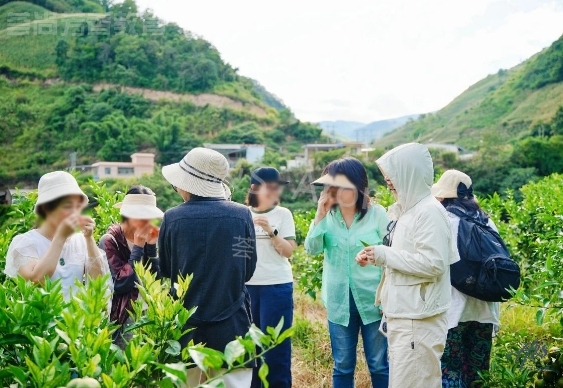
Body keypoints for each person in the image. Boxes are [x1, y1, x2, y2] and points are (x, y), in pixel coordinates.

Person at [356, 143, 459, 388]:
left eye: (392, 174)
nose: (388, 181)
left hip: (418, 319)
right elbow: (406, 257)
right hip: (407, 314)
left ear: (410, 172)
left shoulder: (428, 212)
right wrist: (376, 256)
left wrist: (384, 255)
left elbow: (433, 264)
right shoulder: (410, 211)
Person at [159, 147, 257, 388]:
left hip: (185, 324)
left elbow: (167, 270)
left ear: (187, 184)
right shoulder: (241, 216)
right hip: (231, 321)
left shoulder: (172, 219)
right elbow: (247, 268)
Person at [305, 157, 389, 388]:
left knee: (379, 364)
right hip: (339, 300)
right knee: (342, 365)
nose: (332, 191)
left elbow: (391, 253)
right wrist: (319, 216)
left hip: (373, 300)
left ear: (356, 186)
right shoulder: (328, 217)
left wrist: (372, 257)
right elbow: (311, 249)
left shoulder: (379, 215)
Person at [432, 170, 500, 388]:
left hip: (453, 311)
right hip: (485, 311)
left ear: (442, 196)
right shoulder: (487, 222)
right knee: (479, 375)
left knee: (450, 371)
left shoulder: (444, 221)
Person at [4, 171, 111, 299]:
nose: (75, 212)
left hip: (76, 318)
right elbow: (36, 281)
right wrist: (60, 236)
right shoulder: (25, 243)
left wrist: (89, 238)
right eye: (67, 206)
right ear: (46, 208)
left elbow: (98, 282)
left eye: (78, 206)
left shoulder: (80, 240)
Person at [245, 167, 297, 388]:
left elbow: (289, 251)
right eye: (270, 187)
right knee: (249, 349)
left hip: (276, 286)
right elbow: (240, 254)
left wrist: (271, 231)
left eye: (277, 187)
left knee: (276, 349)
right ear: (255, 188)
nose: (275, 191)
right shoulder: (242, 213)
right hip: (247, 288)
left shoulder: (283, 214)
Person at [99, 185, 163, 347]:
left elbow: (156, 280)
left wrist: (151, 248)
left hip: (149, 311)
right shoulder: (109, 240)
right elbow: (120, 284)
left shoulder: (146, 236)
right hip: (124, 316)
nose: (146, 222)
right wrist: (138, 248)